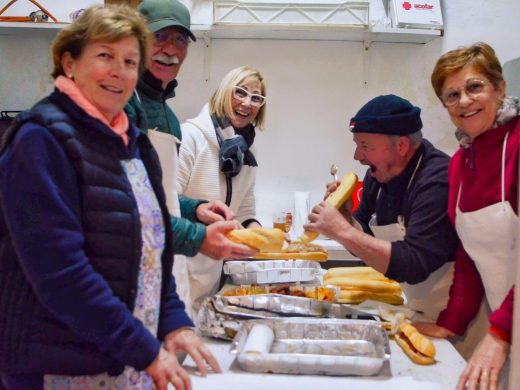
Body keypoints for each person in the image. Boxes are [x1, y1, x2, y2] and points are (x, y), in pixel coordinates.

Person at [0, 5, 220, 390]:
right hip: (58, 367)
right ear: (69, 62)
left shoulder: (132, 142)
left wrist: (174, 321)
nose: (120, 72)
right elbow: (61, 274)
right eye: (105, 56)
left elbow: (153, 247)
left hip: (123, 363)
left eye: (131, 61)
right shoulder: (40, 139)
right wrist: (145, 350)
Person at [125, 0, 256, 308]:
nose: (170, 49)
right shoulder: (125, 106)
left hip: (163, 262)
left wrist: (196, 209)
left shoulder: (169, 118)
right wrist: (198, 237)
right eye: (160, 37)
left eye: (180, 40)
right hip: (127, 264)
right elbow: (129, 202)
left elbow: (162, 194)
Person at [415, 42, 517, 390]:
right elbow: (470, 254)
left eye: (475, 87)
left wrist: (502, 332)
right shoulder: (461, 162)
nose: (464, 101)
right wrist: (452, 323)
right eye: (452, 94)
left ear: (500, 88)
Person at [304, 94, 457, 321]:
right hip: (410, 307)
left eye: (365, 146)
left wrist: (342, 231)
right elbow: (367, 244)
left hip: (450, 318)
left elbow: (414, 262)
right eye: (357, 145)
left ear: (402, 145)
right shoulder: (376, 178)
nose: (357, 156)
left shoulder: (437, 179)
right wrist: (348, 221)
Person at [177, 66, 267, 313]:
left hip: (213, 273)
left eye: (256, 98)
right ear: (224, 92)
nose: (247, 103)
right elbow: (169, 201)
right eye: (240, 92)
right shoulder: (191, 137)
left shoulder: (248, 152)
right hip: (181, 270)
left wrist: (260, 236)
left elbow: (245, 208)